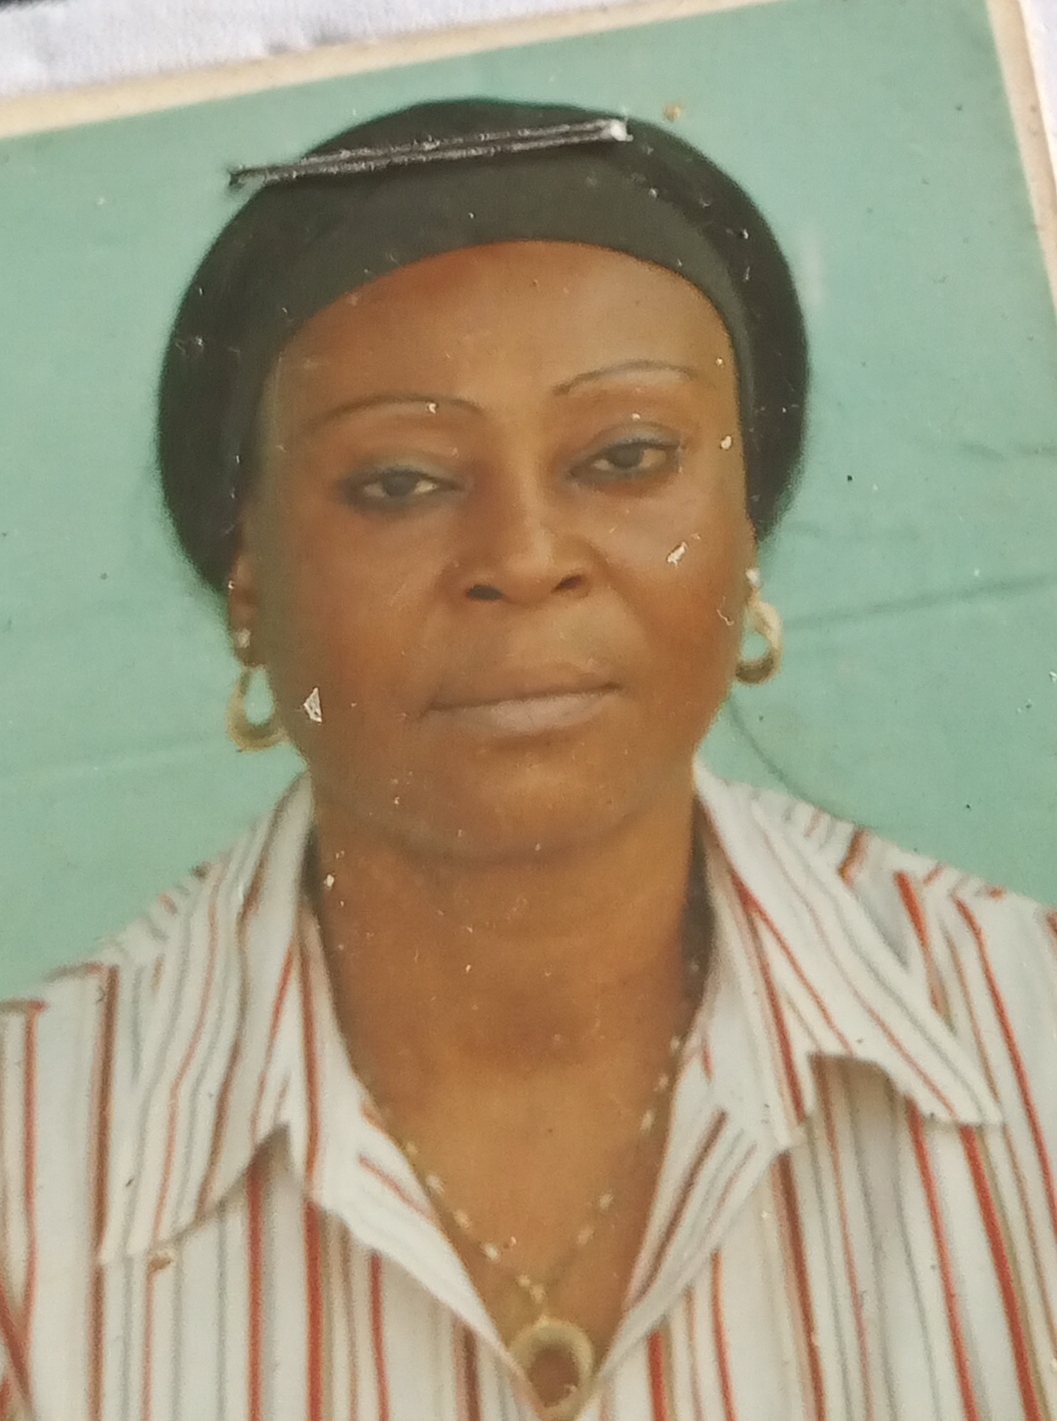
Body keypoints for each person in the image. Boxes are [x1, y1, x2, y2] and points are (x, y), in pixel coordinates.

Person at [0, 97, 1054, 1421]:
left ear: (746, 538)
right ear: (247, 579)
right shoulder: (29, 1158)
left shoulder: (1032, 1037)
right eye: (399, 482)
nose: (522, 557)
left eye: (625, 457)